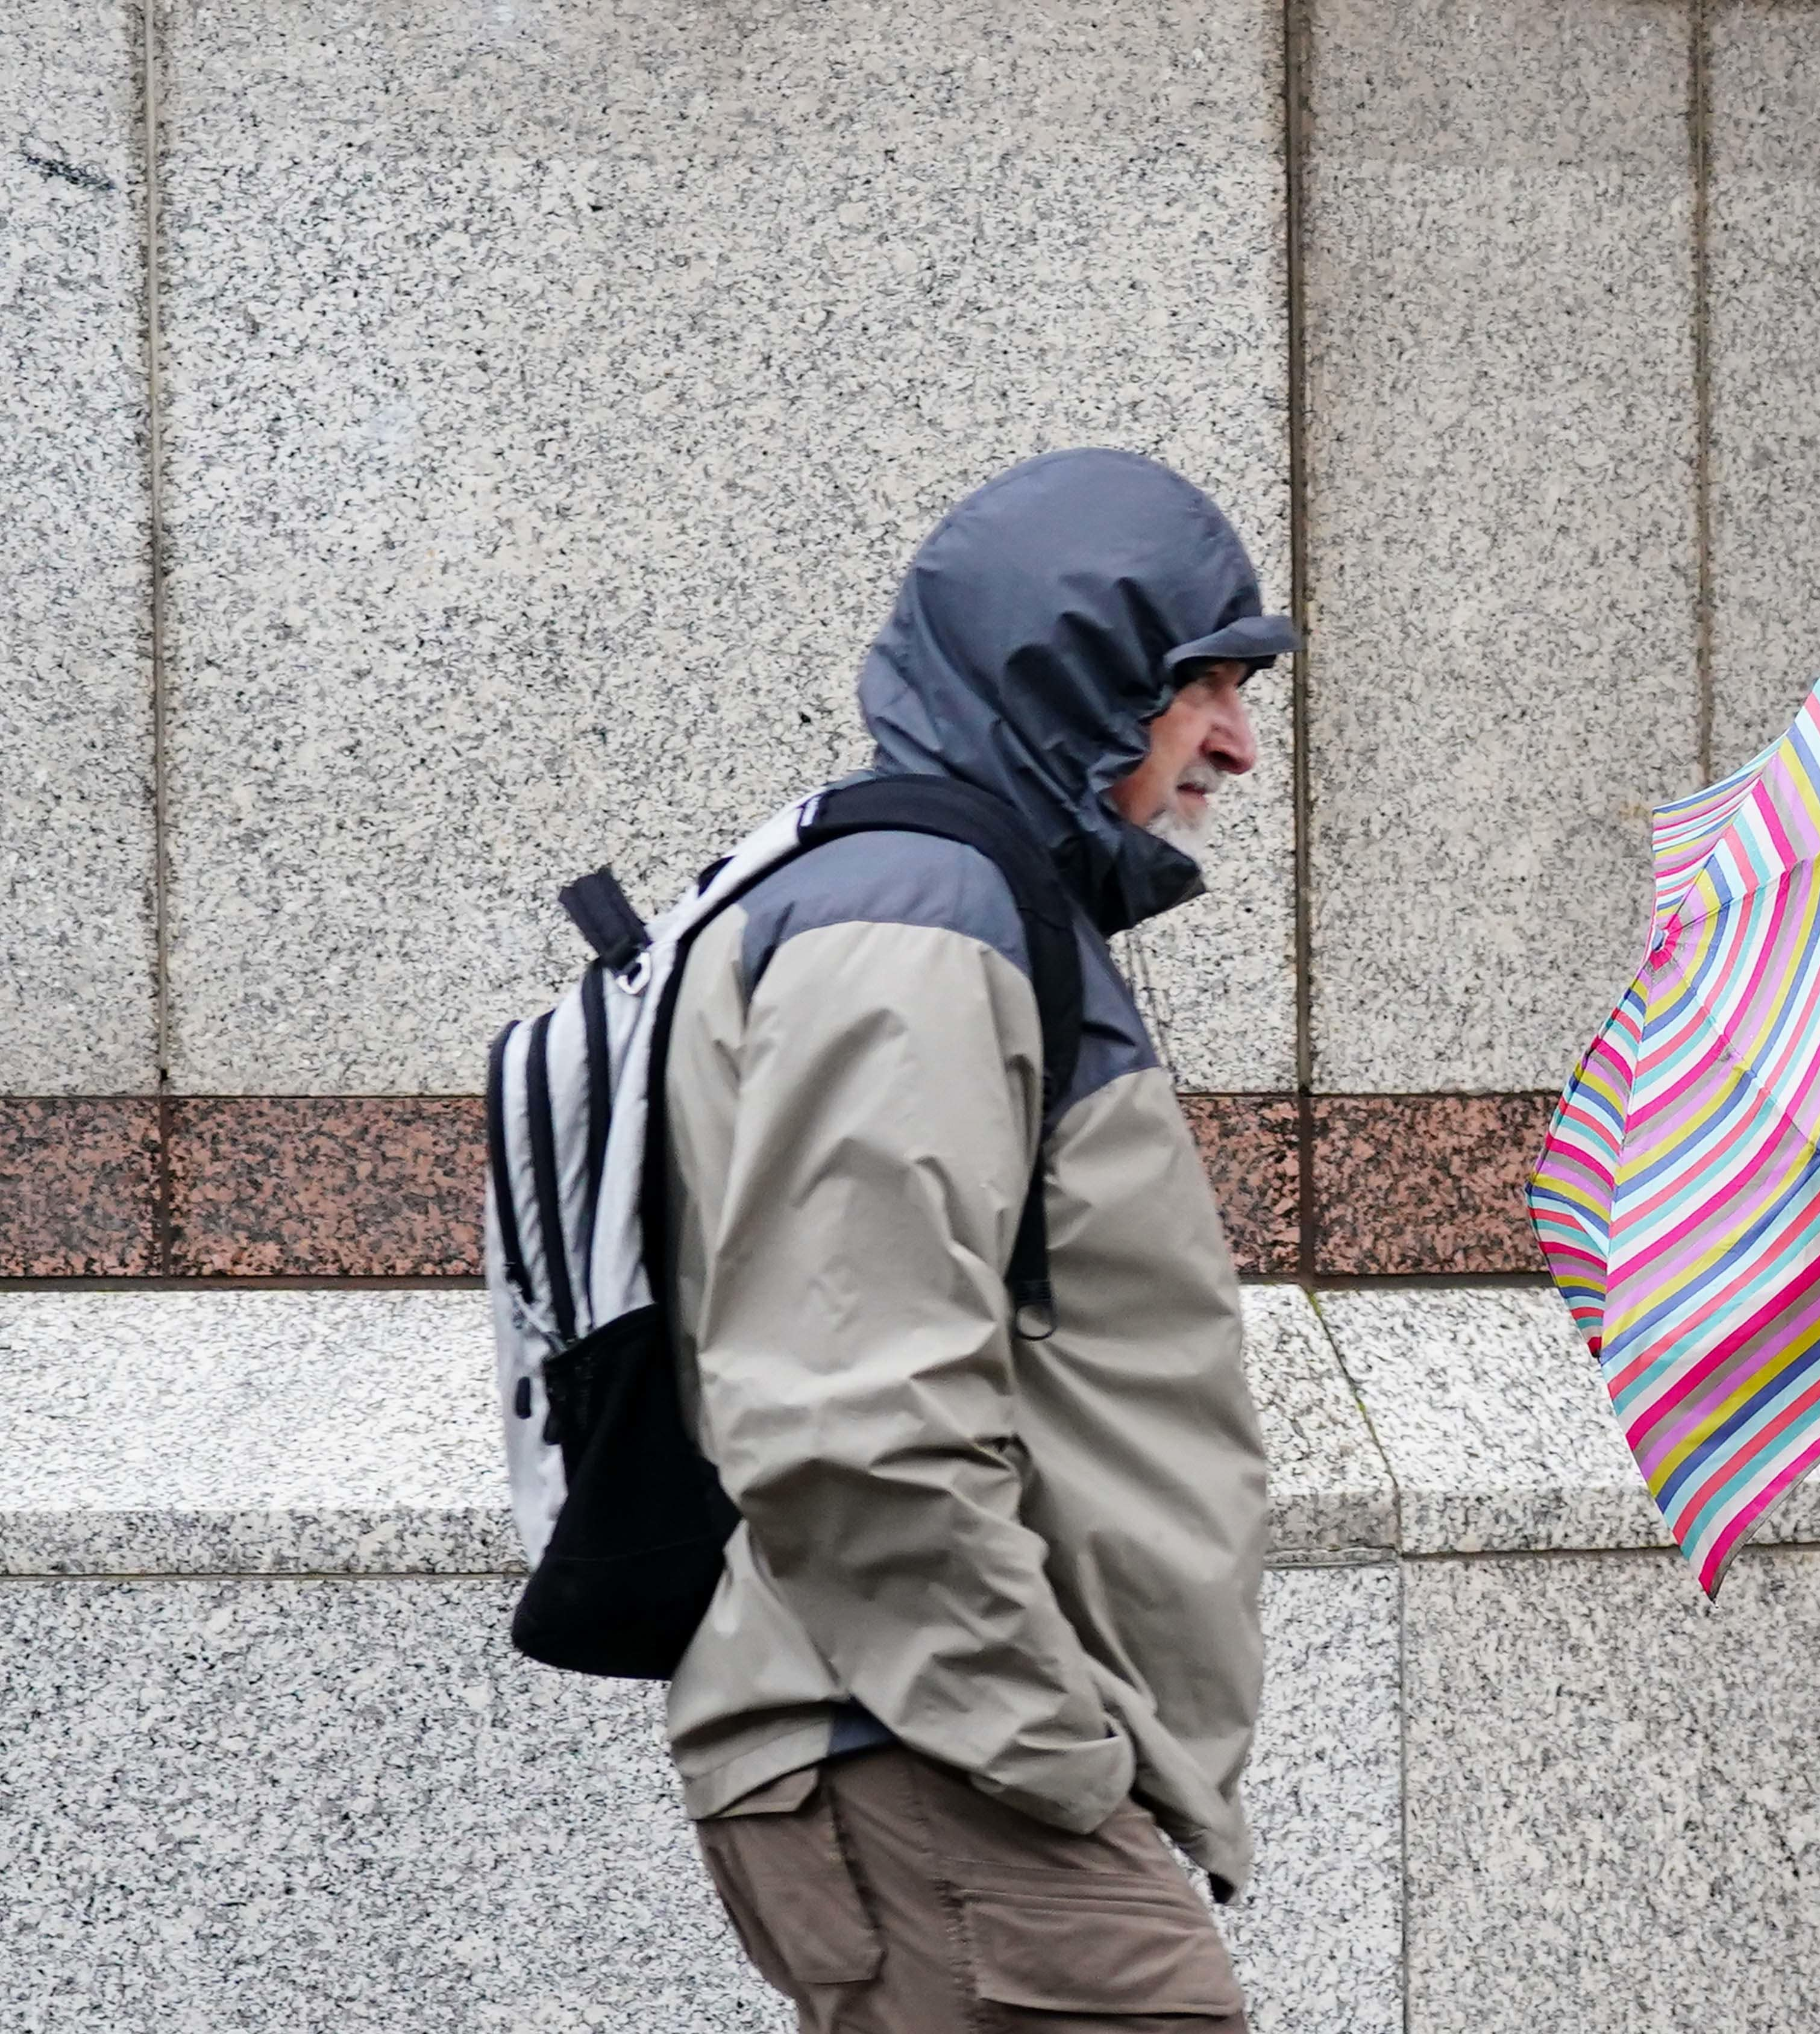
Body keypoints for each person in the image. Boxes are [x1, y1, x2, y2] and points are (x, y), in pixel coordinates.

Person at [661, 449, 1284, 2031]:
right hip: (948, 1772)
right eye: (1198, 681)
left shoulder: (968, 905)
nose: (1236, 740)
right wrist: (1061, 1756)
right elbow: (848, 1411)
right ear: (1069, 672)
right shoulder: (921, 923)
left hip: (947, 1759)